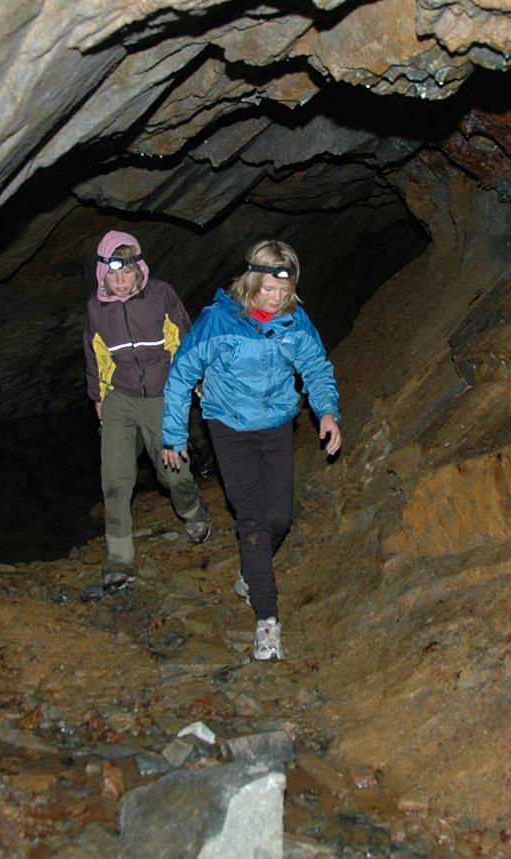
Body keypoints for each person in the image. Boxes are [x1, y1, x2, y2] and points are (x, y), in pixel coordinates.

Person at [160, 240, 341, 661]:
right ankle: (267, 622)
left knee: (280, 518)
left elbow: (315, 367)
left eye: (285, 291)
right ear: (251, 282)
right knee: (255, 520)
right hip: (230, 427)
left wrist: (327, 412)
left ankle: (249, 570)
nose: (277, 299)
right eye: (269, 290)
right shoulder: (217, 322)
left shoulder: (296, 321)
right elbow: (182, 374)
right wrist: (174, 435)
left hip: (277, 425)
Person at [84, 229, 211, 588]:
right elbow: (94, 354)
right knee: (115, 479)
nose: (121, 281)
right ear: (102, 274)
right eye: (113, 274)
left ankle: (193, 511)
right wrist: (97, 397)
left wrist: (196, 385)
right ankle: (119, 559)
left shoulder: (161, 295)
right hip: (119, 400)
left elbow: (186, 340)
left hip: (162, 395)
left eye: (127, 272)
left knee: (173, 472)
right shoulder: (96, 309)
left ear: (139, 269)